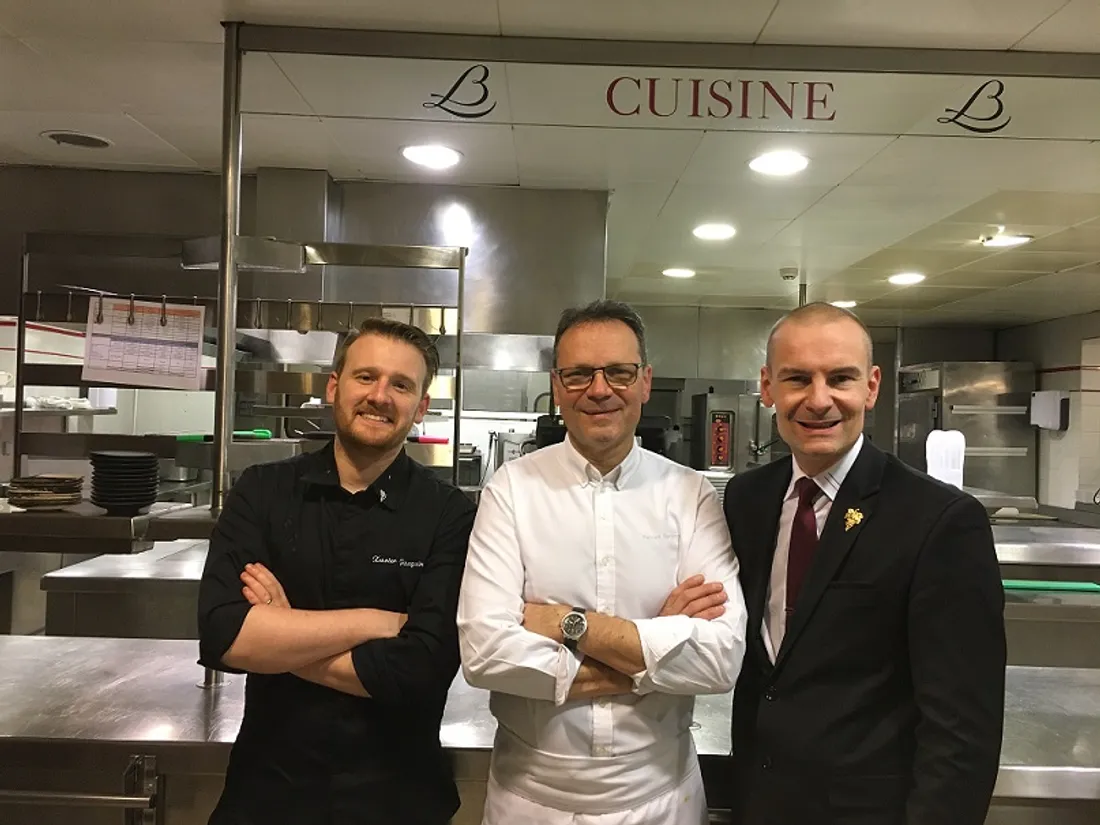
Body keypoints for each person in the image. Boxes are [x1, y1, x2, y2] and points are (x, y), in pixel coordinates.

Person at [458, 299, 748, 825]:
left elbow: (720, 658)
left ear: (644, 382)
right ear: (556, 384)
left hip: (662, 799)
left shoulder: (690, 494)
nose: (598, 389)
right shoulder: (511, 491)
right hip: (532, 799)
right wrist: (658, 641)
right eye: (577, 374)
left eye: (618, 372)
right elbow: (484, 654)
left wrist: (567, 625)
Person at [723, 302, 1006, 825]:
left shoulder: (939, 521)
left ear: (871, 387)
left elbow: (963, 729)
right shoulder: (747, 500)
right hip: (760, 803)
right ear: (768, 387)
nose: (819, 399)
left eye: (840, 378)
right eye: (797, 379)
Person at [197, 317, 476, 825]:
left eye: (401, 384)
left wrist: (281, 639)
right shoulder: (262, 491)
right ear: (335, 386)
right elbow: (224, 635)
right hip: (267, 797)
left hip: (399, 801)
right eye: (365, 377)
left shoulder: (449, 514)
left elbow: (422, 671)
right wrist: (378, 622)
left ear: (422, 407)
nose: (380, 396)